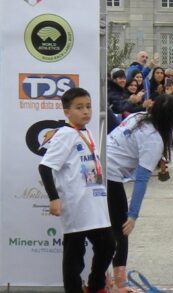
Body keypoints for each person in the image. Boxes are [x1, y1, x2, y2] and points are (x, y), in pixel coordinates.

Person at [106, 94, 173, 292]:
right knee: (121, 231)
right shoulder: (154, 139)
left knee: (106, 230)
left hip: (98, 168)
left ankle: (106, 278)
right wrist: (133, 214)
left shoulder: (137, 118)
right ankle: (120, 284)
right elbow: (142, 178)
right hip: (110, 177)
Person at [38, 87, 115, 293]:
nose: (86, 112)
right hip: (76, 204)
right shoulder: (65, 134)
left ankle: (96, 285)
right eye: (79, 107)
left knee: (107, 245)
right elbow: (45, 167)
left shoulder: (87, 132)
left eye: (88, 106)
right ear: (66, 112)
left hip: (94, 202)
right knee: (74, 255)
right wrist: (54, 198)